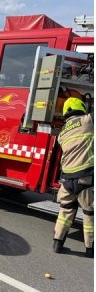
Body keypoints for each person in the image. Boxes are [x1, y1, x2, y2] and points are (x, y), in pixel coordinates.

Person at [53, 97, 94, 257]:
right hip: (84, 177)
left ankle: (57, 243)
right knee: (89, 213)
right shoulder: (87, 120)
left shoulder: (62, 134)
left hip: (67, 180)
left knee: (65, 211)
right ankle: (90, 250)